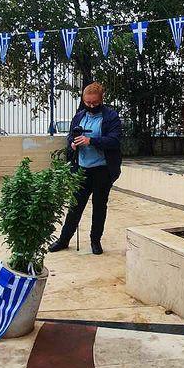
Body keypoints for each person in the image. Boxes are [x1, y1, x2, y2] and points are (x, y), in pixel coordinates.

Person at [49, 82, 122, 255]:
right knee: (74, 207)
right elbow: (70, 137)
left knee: (99, 207)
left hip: (102, 170)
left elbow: (115, 140)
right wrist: (72, 144)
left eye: (94, 103)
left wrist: (91, 141)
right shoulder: (80, 115)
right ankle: (64, 240)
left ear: (101, 100)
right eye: (87, 103)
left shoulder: (111, 117)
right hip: (81, 170)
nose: (91, 106)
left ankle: (95, 241)